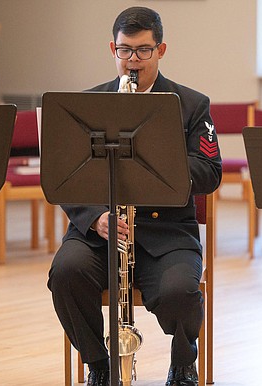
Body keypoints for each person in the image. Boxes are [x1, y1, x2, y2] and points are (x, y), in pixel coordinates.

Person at [47, 7, 221, 386]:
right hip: (99, 231)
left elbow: (210, 172)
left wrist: (157, 160)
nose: (133, 61)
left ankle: (182, 364)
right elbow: (64, 178)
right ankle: (99, 364)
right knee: (65, 273)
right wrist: (95, 218)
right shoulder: (86, 105)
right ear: (112, 47)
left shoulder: (192, 105)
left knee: (180, 291)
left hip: (168, 233)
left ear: (162, 50)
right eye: (125, 51)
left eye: (143, 51)